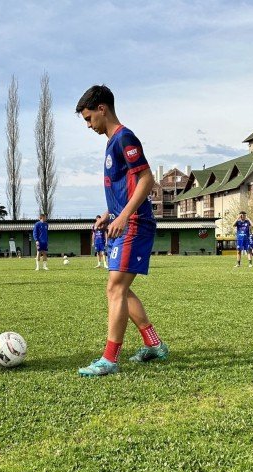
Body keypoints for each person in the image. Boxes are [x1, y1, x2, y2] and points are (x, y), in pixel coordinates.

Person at [74, 84, 168, 377]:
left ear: (102, 109)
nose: (88, 125)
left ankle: (109, 359)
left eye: (89, 118)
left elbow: (147, 178)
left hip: (135, 224)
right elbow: (125, 187)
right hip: (123, 222)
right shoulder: (111, 141)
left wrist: (125, 216)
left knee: (115, 287)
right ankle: (154, 345)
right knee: (121, 289)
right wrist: (108, 214)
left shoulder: (125, 137)